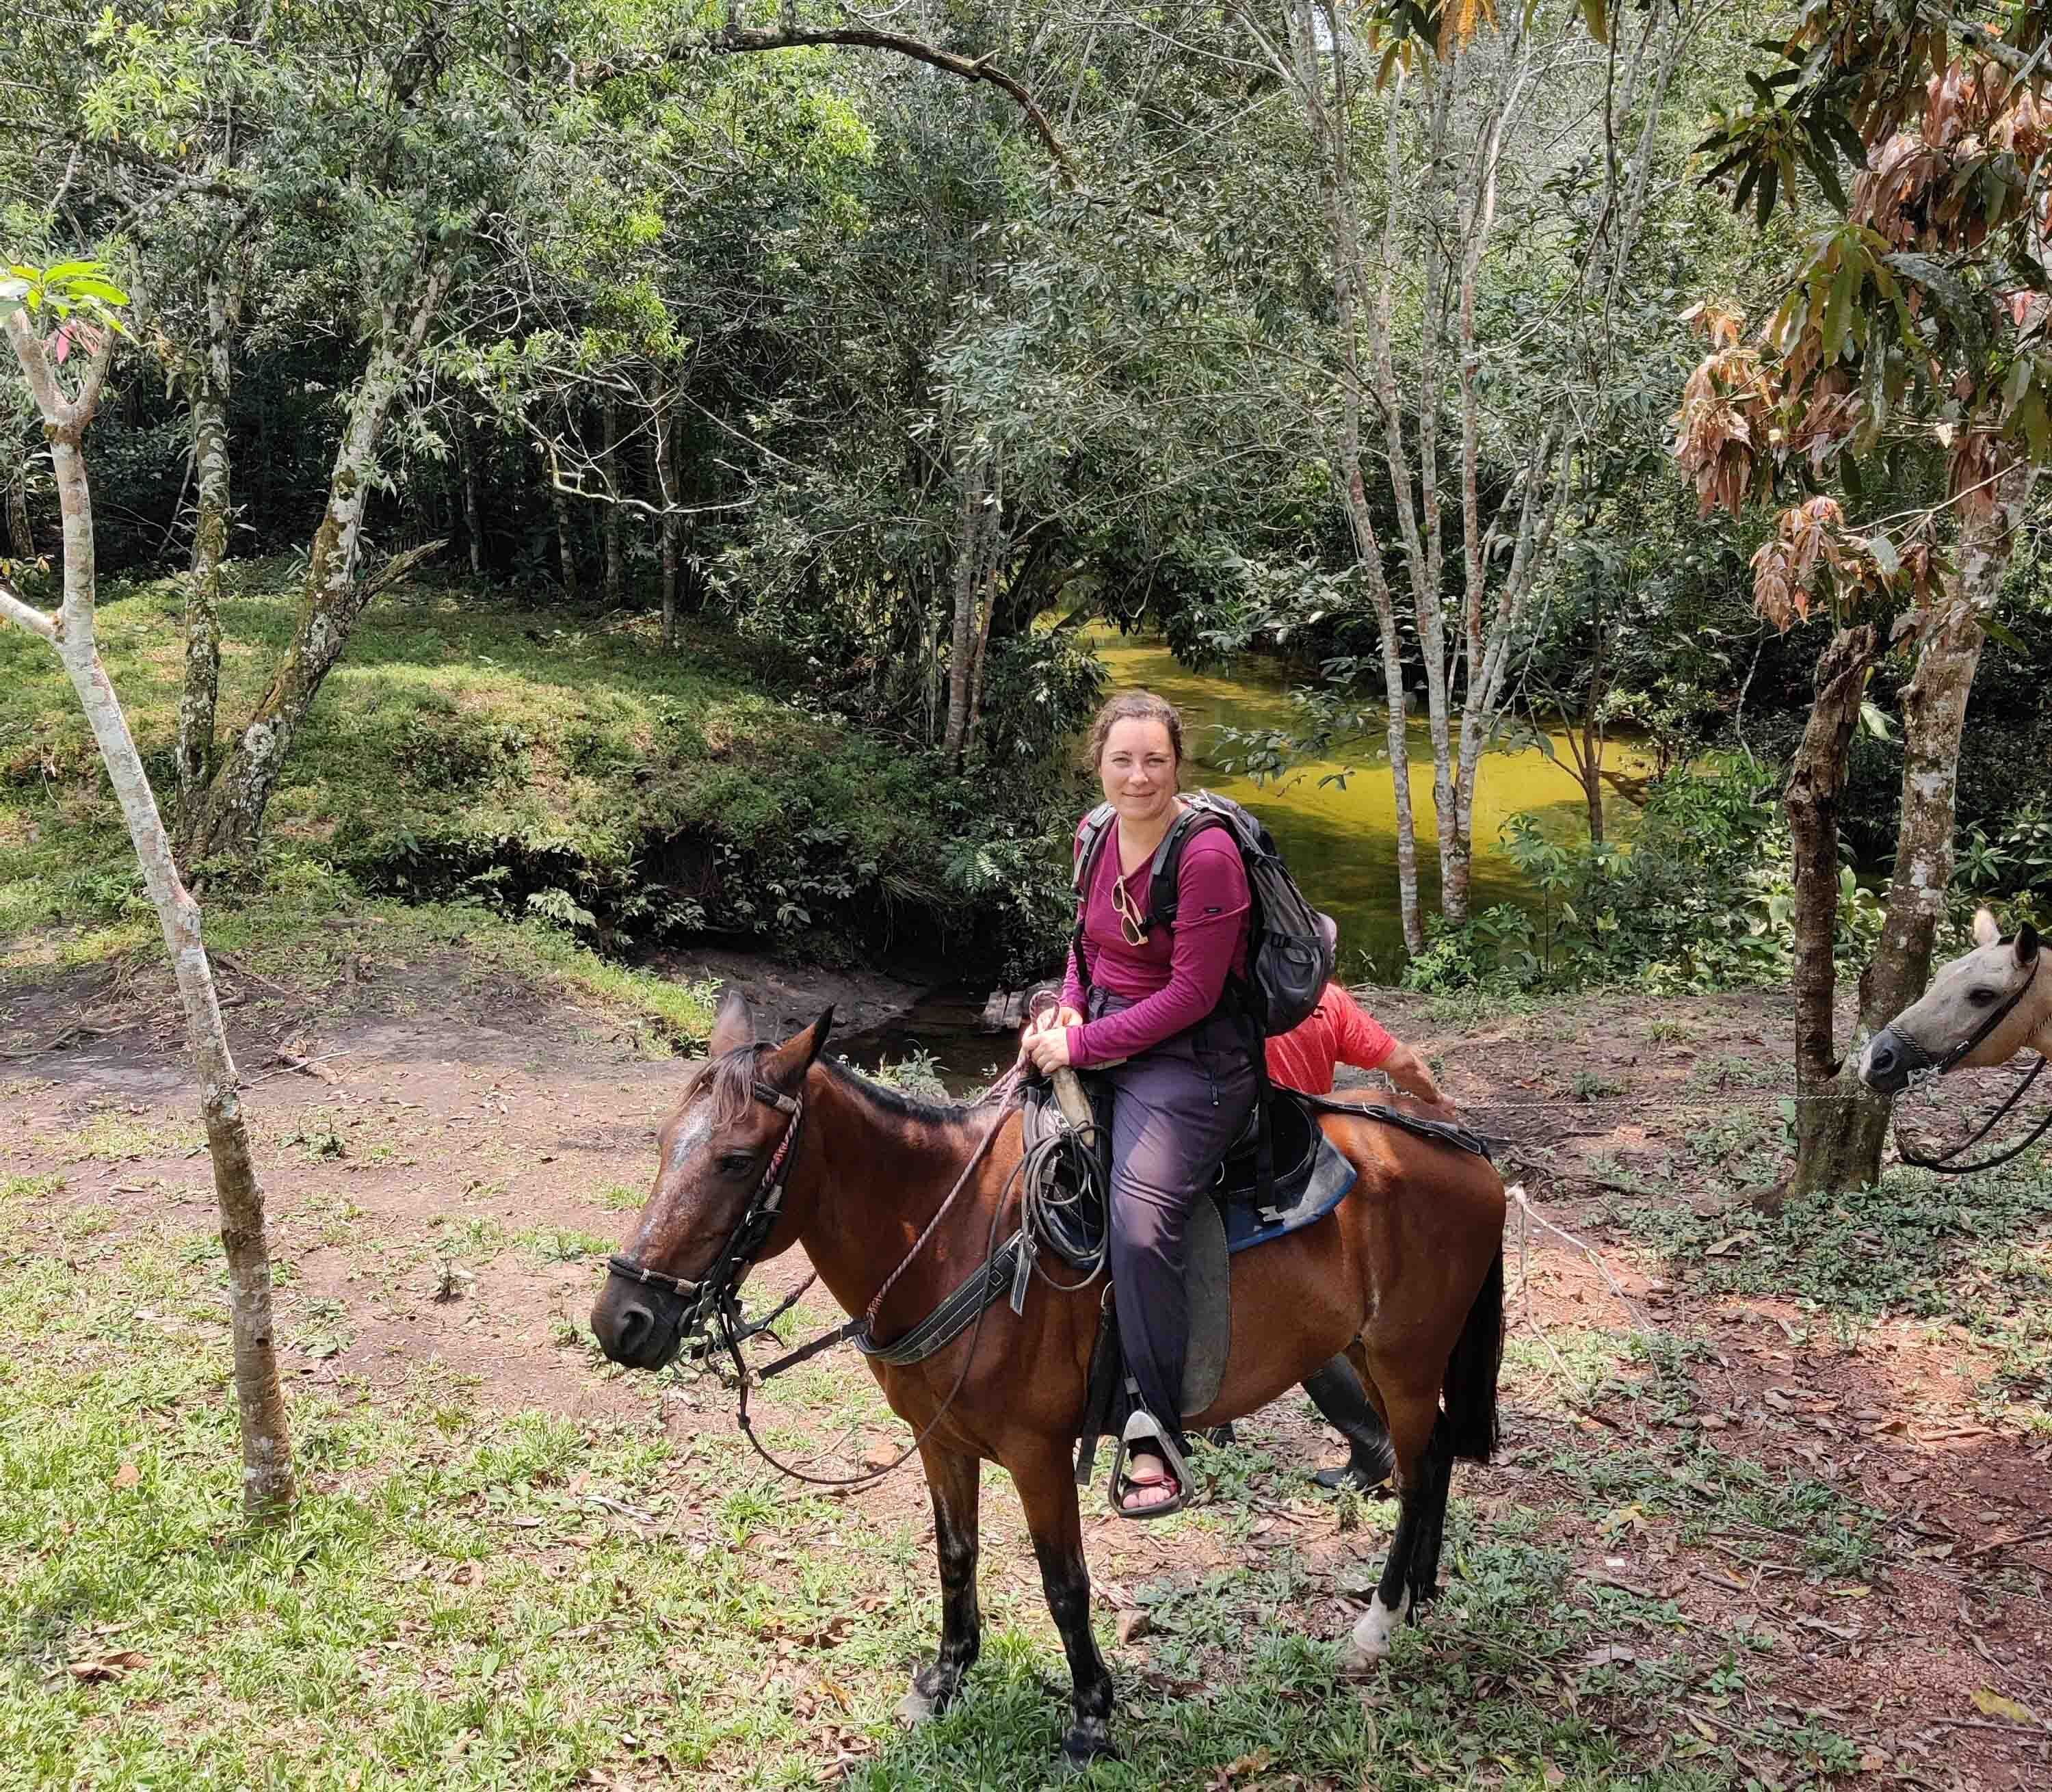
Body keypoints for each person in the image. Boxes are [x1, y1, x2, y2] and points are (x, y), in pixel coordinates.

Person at [1021, 689, 1258, 1518]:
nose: (1139, 776)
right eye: (1122, 759)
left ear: (1177, 763)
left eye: (1155, 759)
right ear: (1099, 762)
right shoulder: (1094, 833)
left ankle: (1154, 1427)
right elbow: (1084, 949)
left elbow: (1194, 994)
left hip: (1195, 1058)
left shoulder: (1207, 855)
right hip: (1103, 1028)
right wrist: (1068, 1008)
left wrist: (1082, 1045)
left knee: (1139, 1222)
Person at [1261, 983, 1445, 1493]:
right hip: (1320, 1161)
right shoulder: (1327, 1000)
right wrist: (1436, 1101)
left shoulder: (1222, 988)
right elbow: (1401, 1062)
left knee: (1294, 1315)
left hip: (1254, 1164)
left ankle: (1371, 1441)